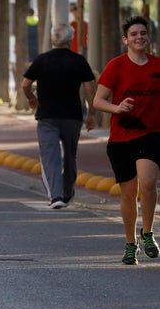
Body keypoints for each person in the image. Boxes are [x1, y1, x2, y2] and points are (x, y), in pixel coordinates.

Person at [92, 16, 160, 266]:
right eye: (134, 34)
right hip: (121, 138)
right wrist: (117, 108)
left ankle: (149, 233)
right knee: (129, 194)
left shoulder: (157, 65)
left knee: (149, 181)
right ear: (125, 40)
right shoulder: (116, 66)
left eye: (143, 33)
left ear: (148, 37)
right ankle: (130, 244)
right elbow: (98, 101)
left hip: (152, 134)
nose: (139, 37)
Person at [21, 24, 96, 209]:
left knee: (50, 156)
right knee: (70, 156)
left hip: (47, 116)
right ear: (71, 39)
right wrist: (92, 113)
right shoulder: (79, 61)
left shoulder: (41, 60)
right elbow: (89, 88)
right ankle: (68, 192)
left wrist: (32, 99)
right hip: (73, 117)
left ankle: (56, 197)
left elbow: (25, 84)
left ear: (52, 39)